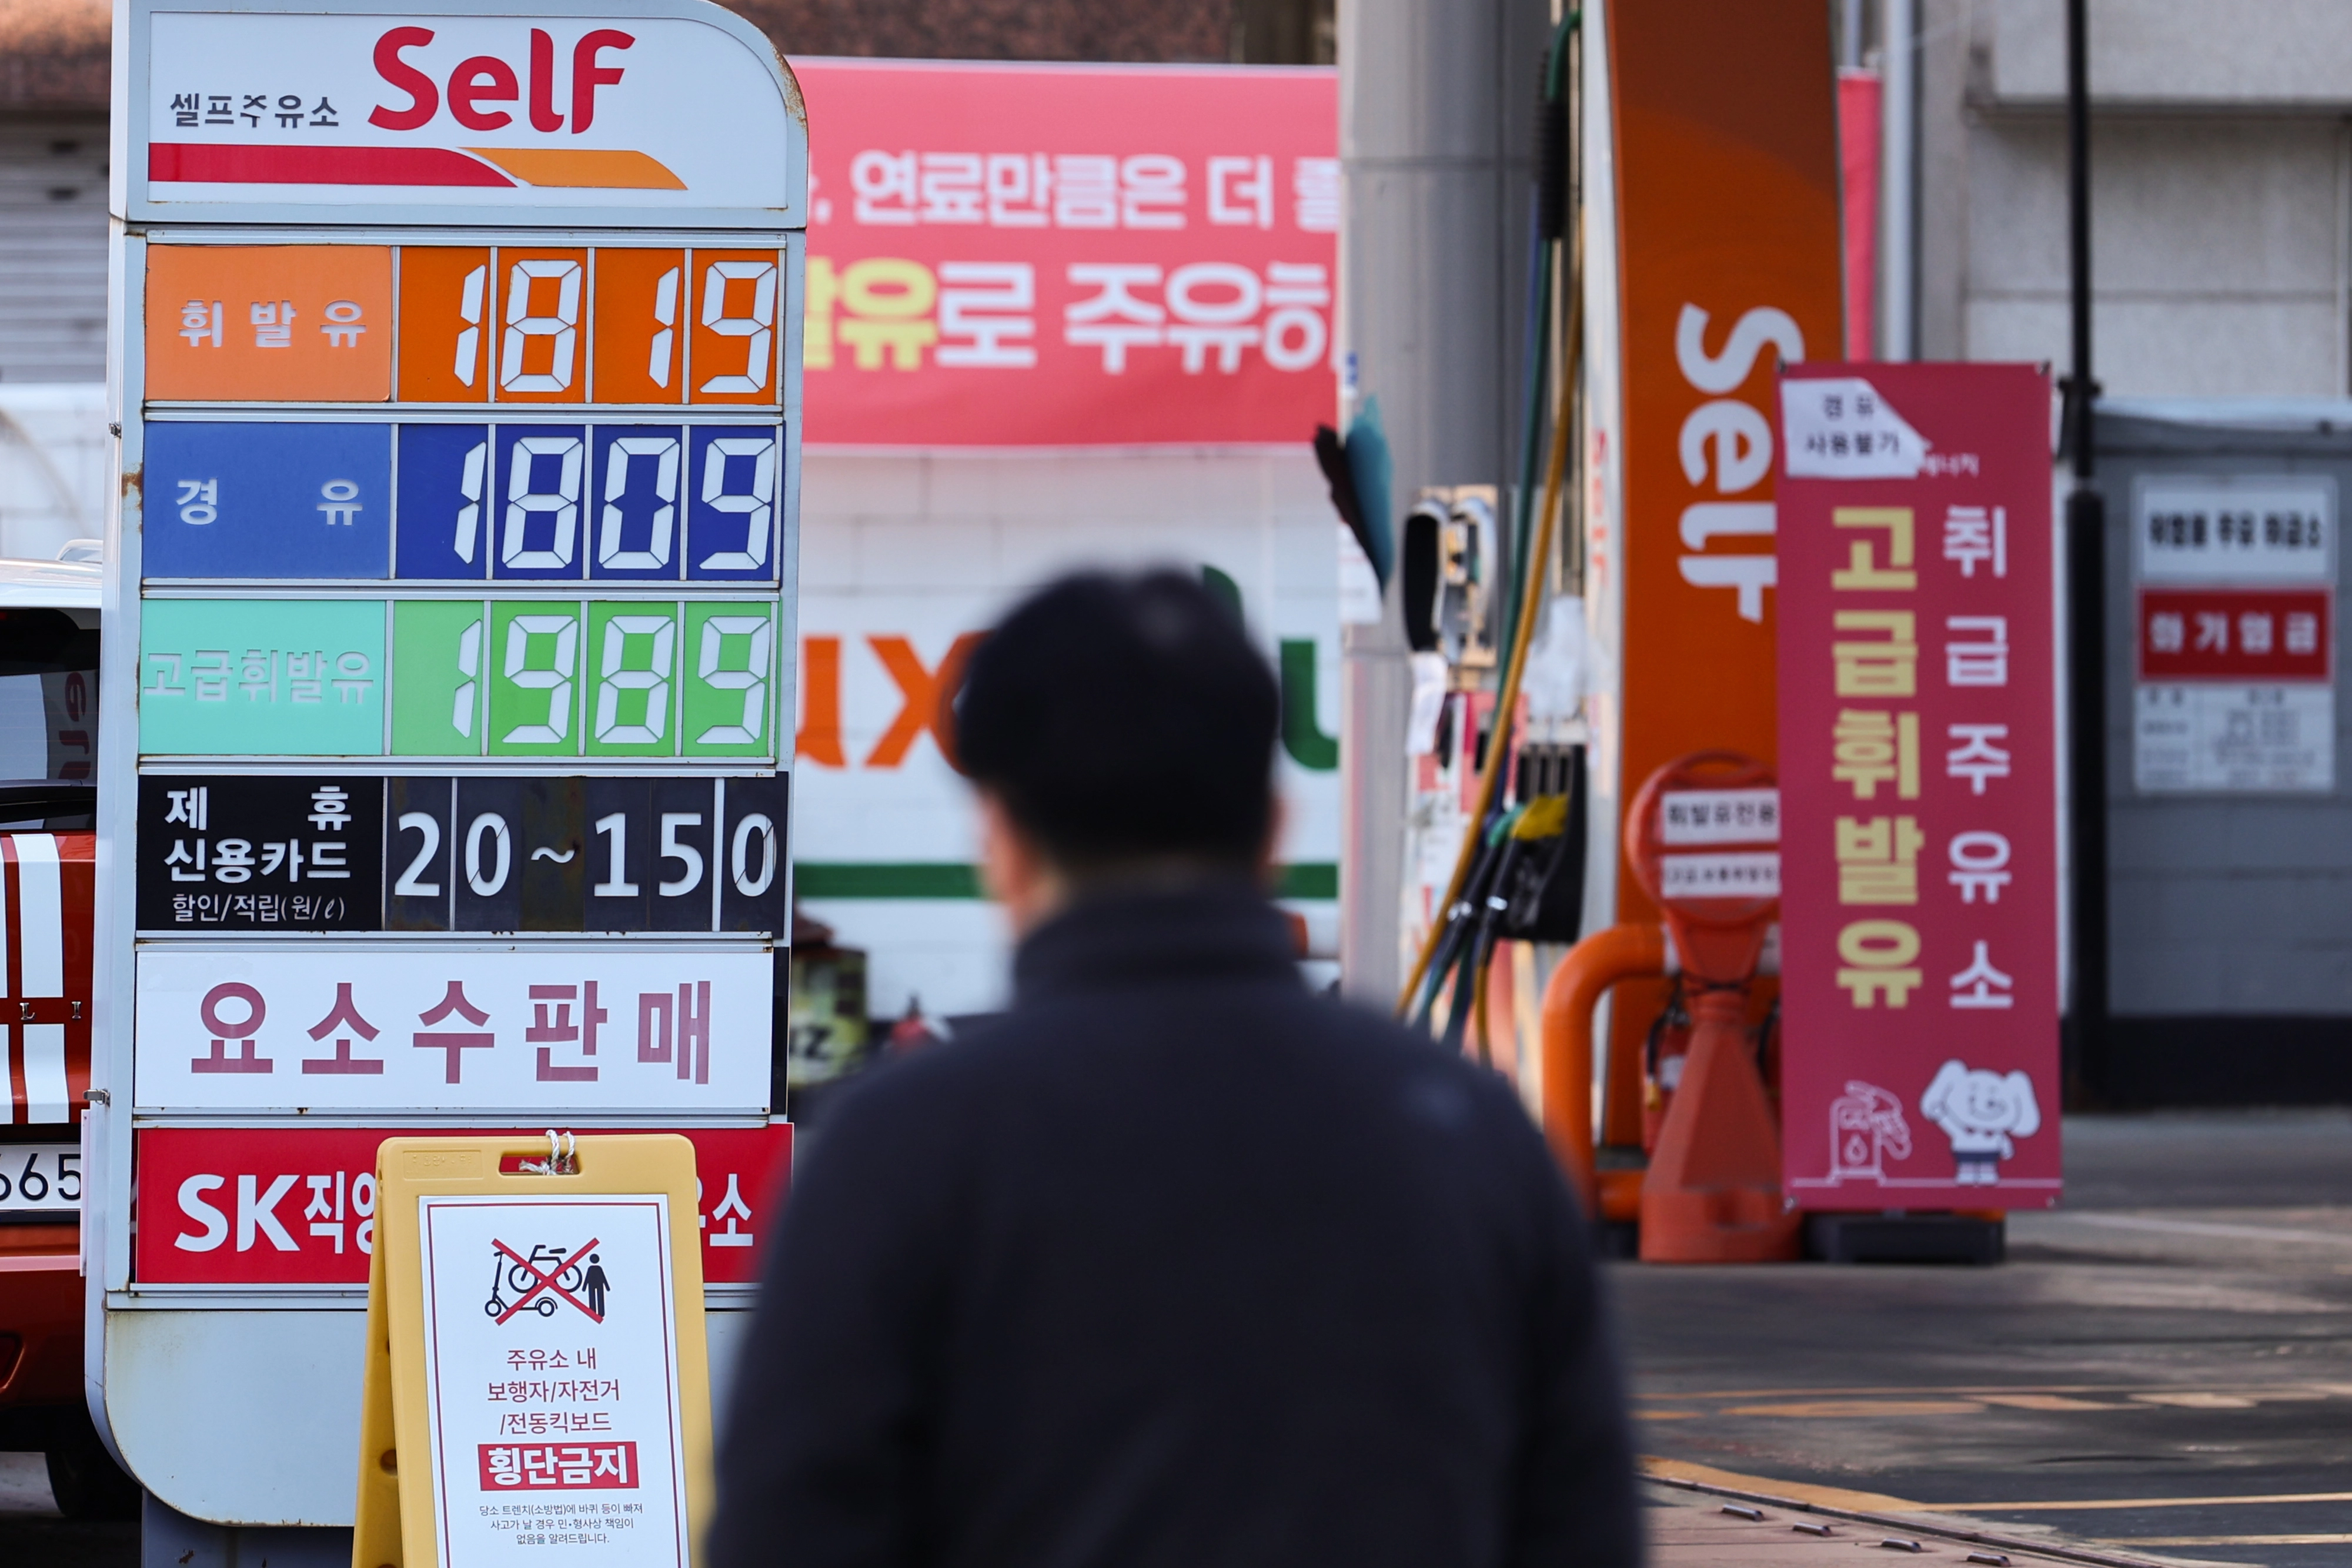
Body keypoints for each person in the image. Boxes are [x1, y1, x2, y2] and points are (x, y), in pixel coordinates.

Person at [710, 569, 1642, 1568]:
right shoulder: (1470, 1133)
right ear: (1274, 830)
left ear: (1002, 841)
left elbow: (787, 1532)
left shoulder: (901, 1150)